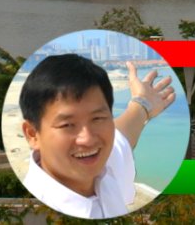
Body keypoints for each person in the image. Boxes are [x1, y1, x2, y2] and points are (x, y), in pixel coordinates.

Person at [19, 54, 176, 219]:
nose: (87, 139)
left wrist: (143, 103)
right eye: (67, 125)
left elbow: (122, 136)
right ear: (32, 134)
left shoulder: (104, 168)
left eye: (97, 118)